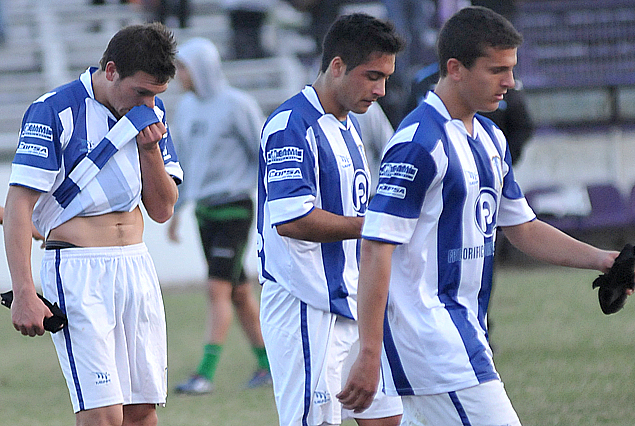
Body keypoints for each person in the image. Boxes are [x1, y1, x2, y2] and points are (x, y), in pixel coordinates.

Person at [337, 7, 629, 425]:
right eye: (497, 70)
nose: (510, 82)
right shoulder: (419, 143)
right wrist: (369, 351)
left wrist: (605, 260)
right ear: (455, 68)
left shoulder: (491, 137)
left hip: (464, 332)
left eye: (511, 69)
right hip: (434, 344)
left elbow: (523, 228)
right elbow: (376, 246)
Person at [4, 22, 181, 426]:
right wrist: (25, 291)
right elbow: (18, 207)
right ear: (112, 70)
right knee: (102, 417)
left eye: (157, 95)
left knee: (141, 413)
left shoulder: (152, 112)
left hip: (136, 267)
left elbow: (162, 209)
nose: (148, 104)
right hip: (79, 271)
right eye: (141, 92)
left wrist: (150, 148)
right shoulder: (53, 110)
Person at [257, 13, 405, 426]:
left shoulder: (348, 125)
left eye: (386, 78)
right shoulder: (291, 125)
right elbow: (292, 219)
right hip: (306, 304)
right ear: (337, 66)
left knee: (388, 418)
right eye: (371, 76)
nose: (380, 90)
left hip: (353, 301)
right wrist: (372, 226)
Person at [167, 37, 271, 394]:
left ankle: (204, 375)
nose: (179, 75)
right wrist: (178, 210)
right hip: (204, 213)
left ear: (203, 68)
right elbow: (183, 162)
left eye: (184, 68)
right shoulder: (186, 110)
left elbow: (263, 154)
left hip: (234, 210)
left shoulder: (238, 105)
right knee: (239, 294)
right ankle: (268, 366)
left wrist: (273, 204)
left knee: (217, 289)